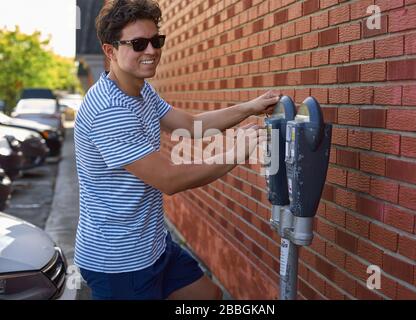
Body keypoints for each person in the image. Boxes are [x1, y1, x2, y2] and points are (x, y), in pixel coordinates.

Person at [74, 0, 279, 300]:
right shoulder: (109, 110)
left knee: (209, 295)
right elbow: (169, 178)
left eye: (156, 41)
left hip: (152, 244)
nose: (151, 51)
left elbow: (191, 125)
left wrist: (249, 108)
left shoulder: (141, 90)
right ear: (110, 51)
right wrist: (236, 152)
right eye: (138, 44)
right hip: (119, 262)